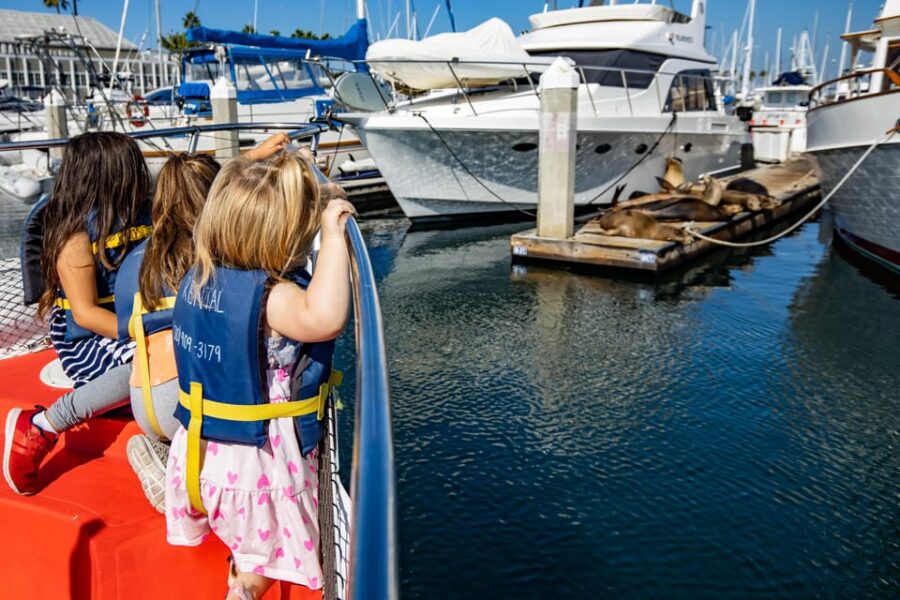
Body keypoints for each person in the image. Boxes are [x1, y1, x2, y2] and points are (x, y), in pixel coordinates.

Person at [164, 150, 354, 600]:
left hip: (198, 453)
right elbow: (325, 318)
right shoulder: (274, 299)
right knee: (261, 561)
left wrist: (311, 189)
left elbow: (244, 187)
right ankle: (244, 590)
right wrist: (332, 233)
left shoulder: (200, 276)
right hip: (258, 470)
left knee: (242, 533)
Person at [116, 135, 290, 512]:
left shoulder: (136, 259)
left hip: (143, 399)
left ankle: (170, 455)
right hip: (186, 405)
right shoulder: (214, 254)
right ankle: (188, 484)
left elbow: (122, 328)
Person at [3, 132, 150, 495]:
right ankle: (40, 425)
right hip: (91, 341)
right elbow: (84, 315)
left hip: (134, 324)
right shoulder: (75, 239)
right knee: (148, 364)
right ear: (112, 176)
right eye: (132, 169)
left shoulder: (140, 216)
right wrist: (146, 333)